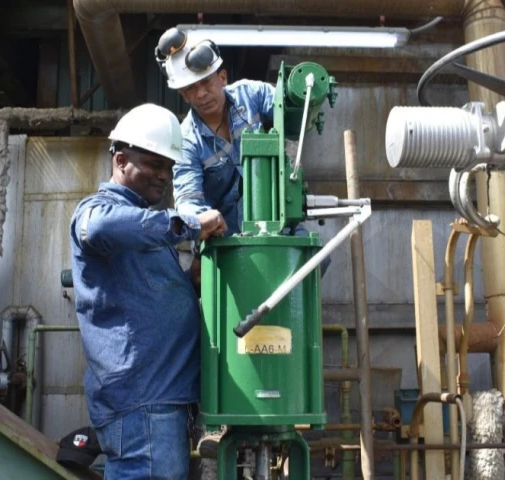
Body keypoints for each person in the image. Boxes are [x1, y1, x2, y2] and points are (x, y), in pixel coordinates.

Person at [69, 103, 227, 479]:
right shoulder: (98, 210)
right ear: (121, 160)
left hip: (161, 403)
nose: (164, 176)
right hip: (143, 406)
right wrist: (190, 223)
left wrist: (188, 283)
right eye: (154, 164)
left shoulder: (147, 226)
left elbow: (146, 294)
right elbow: (98, 229)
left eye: (169, 168)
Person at [154, 27, 330, 273]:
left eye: (206, 82)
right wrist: (204, 220)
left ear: (222, 77)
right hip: (225, 239)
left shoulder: (253, 95)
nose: (201, 93)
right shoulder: (186, 141)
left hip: (278, 224)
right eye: (191, 88)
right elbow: (188, 201)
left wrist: (301, 94)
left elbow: (287, 109)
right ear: (184, 96)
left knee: (316, 260)